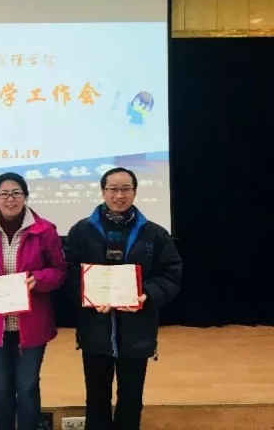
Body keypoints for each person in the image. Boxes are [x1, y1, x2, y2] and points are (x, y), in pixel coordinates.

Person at [64, 167, 182, 430]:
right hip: (95, 328)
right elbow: (68, 271)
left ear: (135, 192)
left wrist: (146, 294)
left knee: (131, 398)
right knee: (96, 398)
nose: (119, 195)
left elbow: (171, 273)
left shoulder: (154, 233)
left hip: (137, 330)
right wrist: (88, 295)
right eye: (113, 189)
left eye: (126, 189)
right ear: (103, 191)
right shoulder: (81, 231)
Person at [0, 172, 67, 430]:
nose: (10, 199)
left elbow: (60, 270)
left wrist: (37, 279)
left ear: (25, 196)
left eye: (16, 193)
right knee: (1, 385)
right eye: (4, 194)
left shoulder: (45, 230)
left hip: (32, 322)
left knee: (27, 385)